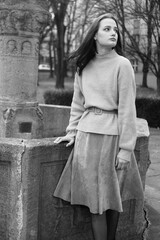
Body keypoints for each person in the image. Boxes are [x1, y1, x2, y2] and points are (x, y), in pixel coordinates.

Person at [53, 13, 144, 240]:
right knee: (95, 202)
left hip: (111, 139)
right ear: (94, 35)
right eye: (107, 29)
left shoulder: (122, 65)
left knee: (110, 199)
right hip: (86, 138)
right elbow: (77, 104)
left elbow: (127, 109)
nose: (114, 32)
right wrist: (71, 132)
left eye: (115, 29)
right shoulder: (83, 66)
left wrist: (125, 149)